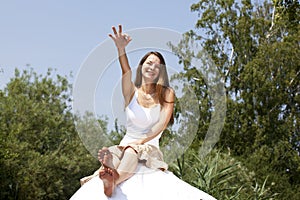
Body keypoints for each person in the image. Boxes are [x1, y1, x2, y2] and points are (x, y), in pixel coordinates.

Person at [70, 25, 216, 200]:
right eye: (149, 63)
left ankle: (114, 180)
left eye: (157, 65)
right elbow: (126, 71)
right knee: (117, 154)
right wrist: (121, 49)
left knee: (133, 151)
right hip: (124, 146)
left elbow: (161, 124)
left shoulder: (167, 94)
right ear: (141, 67)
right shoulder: (131, 93)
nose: (153, 67)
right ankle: (109, 172)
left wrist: (140, 141)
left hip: (149, 148)